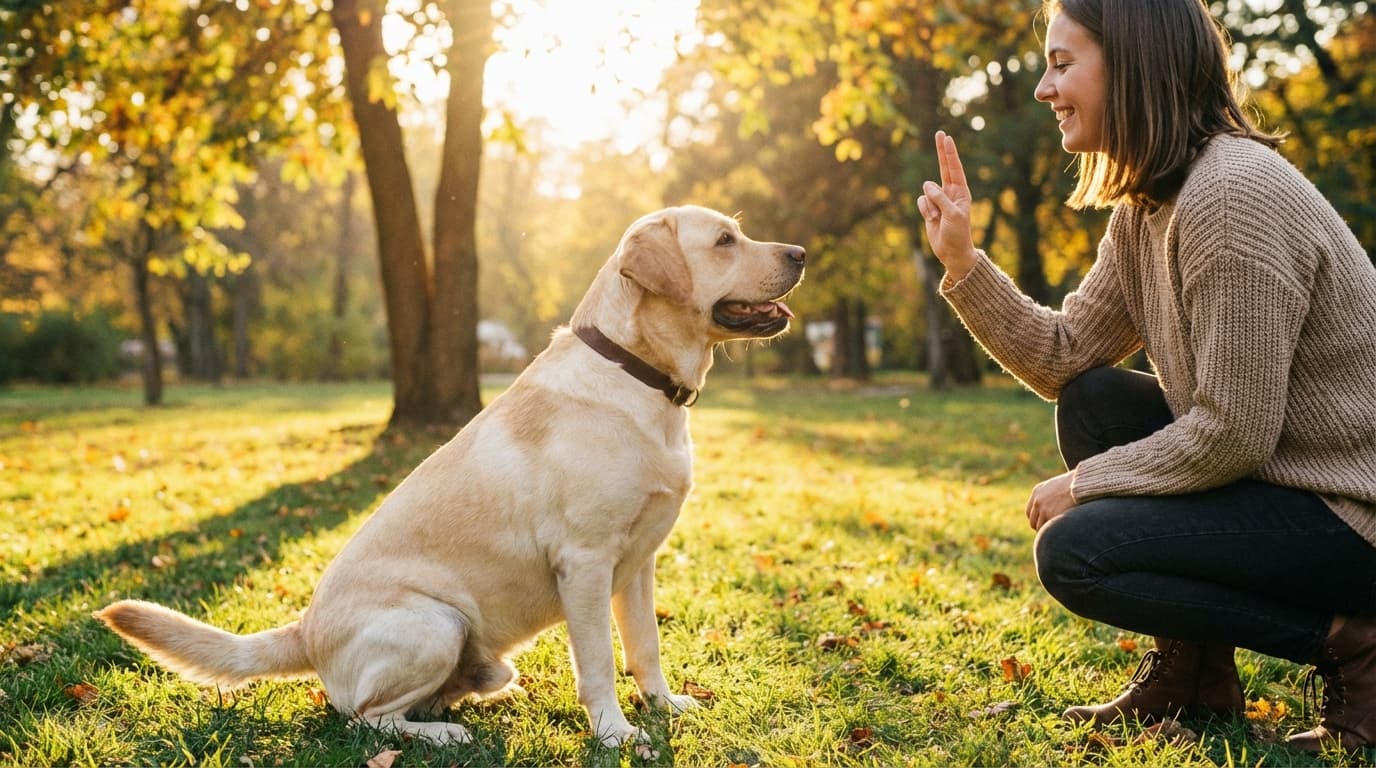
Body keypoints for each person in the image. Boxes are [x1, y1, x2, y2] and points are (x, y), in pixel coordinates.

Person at [916, 0, 1376, 754]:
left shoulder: (1231, 197)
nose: (1043, 88)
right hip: (1285, 489)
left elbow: (1233, 433)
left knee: (1077, 550)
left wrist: (1089, 482)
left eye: (1063, 64)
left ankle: (1355, 644)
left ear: (1133, 66)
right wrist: (964, 265)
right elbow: (1066, 354)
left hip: (1353, 515)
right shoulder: (1148, 207)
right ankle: (1193, 677)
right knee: (1092, 399)